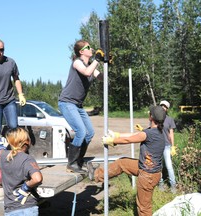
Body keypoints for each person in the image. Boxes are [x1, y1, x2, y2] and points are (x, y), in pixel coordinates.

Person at [87, 106, 166, 216]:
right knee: (122, 163)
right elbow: (134, 135)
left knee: (144, 208)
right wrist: (117, 135)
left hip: (148, 175)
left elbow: (129, 139)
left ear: (151, 117)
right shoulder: (158, 131)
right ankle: (96, 175)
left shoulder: (150, 134)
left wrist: (113, 140)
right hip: (147, 169)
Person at [58, 40, 104, 173]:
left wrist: (106, 63)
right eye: (88, 47)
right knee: (81, 132)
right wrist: (97, 60)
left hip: (77, 105)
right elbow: (87, 72)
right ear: (81, 51)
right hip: (67, 103)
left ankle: (78, 161)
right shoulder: (77, 62)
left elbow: (100, 77)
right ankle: (71, 163)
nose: (91, 49)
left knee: (90, 133)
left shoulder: (91, 65)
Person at [0, 127, 43, 216]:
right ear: (27, 141)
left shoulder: (4, 156)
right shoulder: (27, 159)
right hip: (26, 208)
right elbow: (37, 178)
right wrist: (25, 187)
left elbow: (1, 151)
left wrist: (0, 147)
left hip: (9, 209)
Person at [159, 100, 177, 193]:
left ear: (167, 109)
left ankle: (173, 185)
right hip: (157, 146)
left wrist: (172, 146)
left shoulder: (170, 120)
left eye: (165, 106)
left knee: (169, 166)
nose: (163, 107)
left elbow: (171, 134)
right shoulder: (155, 118)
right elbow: (152, 130)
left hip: (166, 146)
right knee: (158, 166)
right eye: (162, 105)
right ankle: (160, 184)